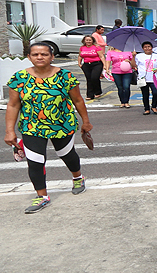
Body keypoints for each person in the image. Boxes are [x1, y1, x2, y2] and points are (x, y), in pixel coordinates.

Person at [4, 42, 93, 213]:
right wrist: (10, 131)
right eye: (35, 54)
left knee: (66, 154)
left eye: (44, 54)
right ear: (29, 57)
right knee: (35, 162)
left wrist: (86, 121)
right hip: (32, 127)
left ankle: (78, 177)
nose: (40, 57)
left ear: (52, 57)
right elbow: (13, 105)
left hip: (62, 124)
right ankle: (42, 196)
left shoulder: (65, 76)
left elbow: (78, 100)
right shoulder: (19, 78)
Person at [135, 41, 157, 115]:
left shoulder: (156, 56)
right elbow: (134, 65)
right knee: (145, 94)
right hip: (143, 78)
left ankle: (154, 106)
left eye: (149, 46)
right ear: (142, 48)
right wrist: (133, 56)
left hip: (154, 78)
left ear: (152, 47)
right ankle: (147, 108)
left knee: (156, 93)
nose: (147, 48)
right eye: (145, 47)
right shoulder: (139, 56)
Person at [77, 35, 105, 100]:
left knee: (94, 78)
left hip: (97, 64)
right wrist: (79, 63)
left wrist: (104, 65)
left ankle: (97, 92)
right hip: (86, 65)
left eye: (90, 40)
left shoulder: (97, 47)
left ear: (92, 41)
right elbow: (80, 56)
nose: (88, 41)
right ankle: (90, 95)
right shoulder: (82, 47)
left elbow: (101, 56)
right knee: (89, 79)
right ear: (84, 41)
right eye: (87, 40)